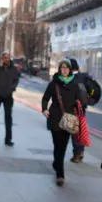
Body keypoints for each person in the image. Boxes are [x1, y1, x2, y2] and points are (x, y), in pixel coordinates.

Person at [41, 58, 86, 187]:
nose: (64, 70)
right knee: (57, 146)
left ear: (70, 69)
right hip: (55, 117)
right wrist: (44, 109)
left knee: (63, 147)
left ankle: (57, 164)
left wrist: (79, 106)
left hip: (69, 119)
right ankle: (60, 175)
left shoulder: (75, 83)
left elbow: (81, 101)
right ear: (59, 69)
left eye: (67, 68)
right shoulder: (54, 83)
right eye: (62, 68)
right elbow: (45, 98)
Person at [0, 52, 19, 146]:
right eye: (5, 58)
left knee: (8, 117)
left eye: (8, 58)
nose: (7, 59)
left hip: (8, 96)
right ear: (2, 58)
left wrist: (12, 88)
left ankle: (8, 139)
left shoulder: (13, 68)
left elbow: (16, 79)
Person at [68, 58, 86, 163]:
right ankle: (81, 151)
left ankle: (76, 154)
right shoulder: (83, 77)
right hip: (82, 108)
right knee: (80, 130)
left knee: (74, 132)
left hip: (72, 108)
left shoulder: (70, 78)